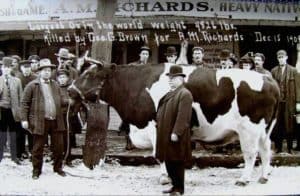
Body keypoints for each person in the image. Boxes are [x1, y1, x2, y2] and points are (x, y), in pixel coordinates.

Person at [20, 58, 67, 179]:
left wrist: (69, 101)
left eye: (49, 70)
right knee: (38, 148)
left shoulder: (56, 85)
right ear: (40, 71)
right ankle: (36, 171)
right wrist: (24, 120)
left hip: (56, 121)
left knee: (59, 147)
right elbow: (24, 103)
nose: (47, 72)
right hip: (40, 121)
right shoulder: (32, 85)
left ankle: (58, 168)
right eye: (44, 70)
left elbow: (62, 100)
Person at [156, 65, 193, 195]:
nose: (170, 80)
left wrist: (176, 132)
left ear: (181, 79)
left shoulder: (185, 94)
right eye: (169, 78)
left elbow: (183, 116)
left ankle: (179, 189)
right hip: (165, 133)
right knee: (169, 160)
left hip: (174, 134)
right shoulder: (171, 93)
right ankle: (174, 186)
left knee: (177, 161)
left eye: (173, 78)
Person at [271, 49, 300, 153]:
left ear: (286, 57)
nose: (281, 59)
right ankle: (278, 148)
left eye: (282, 57)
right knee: (278, 125)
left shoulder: (293, 70)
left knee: (290, 125)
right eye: (279, 57)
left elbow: (297, 87)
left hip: (290, 102)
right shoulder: (274, 71)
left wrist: (298, 102)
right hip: (278, 102)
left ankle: (289, 148)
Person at [0, 57, 23, 165]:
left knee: (14, 134)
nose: (6, 69)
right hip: (1, 110)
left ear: (11, 69)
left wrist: (19, 111)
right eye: (4, 67)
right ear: (2, 68)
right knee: (2, 133)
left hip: (13, 111)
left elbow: (21, 98)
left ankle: (15, 156)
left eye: (8, 67)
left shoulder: (17, 81)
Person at [56, 69, 81, 167]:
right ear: (57, 79)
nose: (62, 79)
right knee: (58, 138)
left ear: (67, 78)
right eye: (60, 77)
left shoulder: (71, 89)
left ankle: (68, 158)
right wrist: (66, 101)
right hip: (57, 116)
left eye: (64, 77)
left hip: (69, 117)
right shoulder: (55, 88)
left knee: (68, 137)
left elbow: (78, 101)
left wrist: (74, 111)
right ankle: (57, 158)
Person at [15, 60, 37, 159]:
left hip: (33, 108)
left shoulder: (35, 78)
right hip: (21, 108)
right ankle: (20, 152)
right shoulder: (17, 78)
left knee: (31, 131)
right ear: (21, 68)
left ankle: (33, 152)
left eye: (28, 68)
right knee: (20, 132)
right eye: (24, 68)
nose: (26, 70)